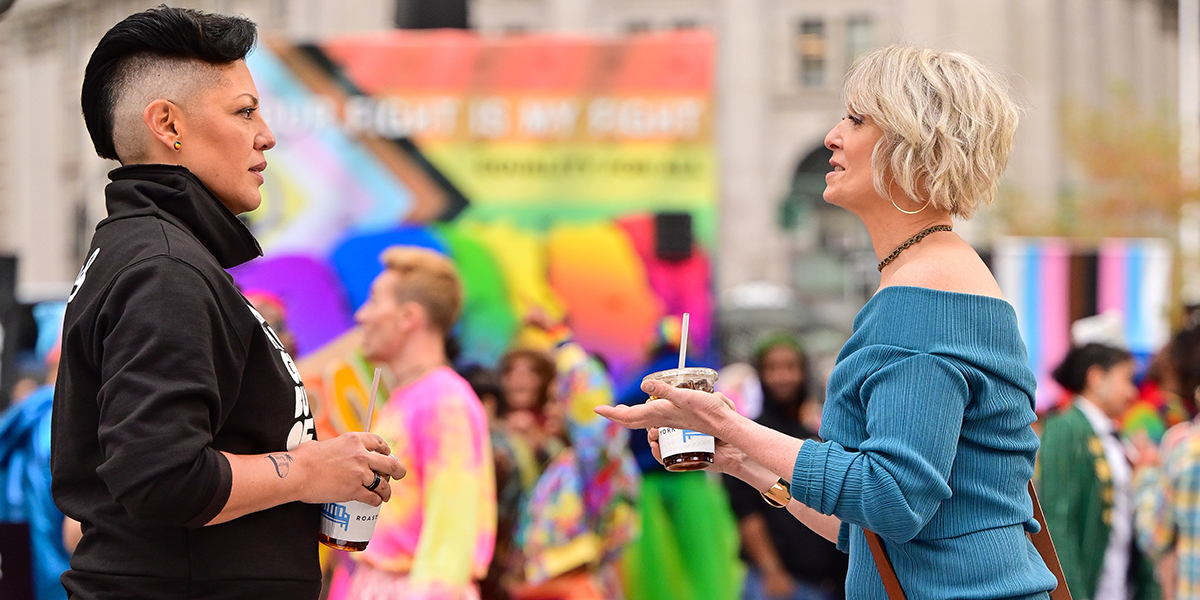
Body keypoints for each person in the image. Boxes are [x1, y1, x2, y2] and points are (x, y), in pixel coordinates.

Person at [597, 45, 1060, 598]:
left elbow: (893, 499)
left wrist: (728, 423)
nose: (832, 136)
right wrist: (745, 462)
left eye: (857, 119)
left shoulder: (923, 293)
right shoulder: (937, 277)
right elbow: (870, 533)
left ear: (912, 142)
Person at [53, 8, 405, 599]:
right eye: (244, 111)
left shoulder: (156, 253)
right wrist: (306, 472)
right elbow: (165, 477)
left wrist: (318, 475)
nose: (266, 134)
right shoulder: (163, 268)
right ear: (168, 124)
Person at [333, 246, 496, 600]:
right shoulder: (409, 395)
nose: (362, 315)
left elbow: (451, 541)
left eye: (375, 301)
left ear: (408, 316)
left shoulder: (445, 400)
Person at [725, 334, 847, 600]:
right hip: (779, 583)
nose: (782, 376)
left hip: (823, 581)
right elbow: (748, 513)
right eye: (772, 368)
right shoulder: (751, 435)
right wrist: (772, 571)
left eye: (791, 367)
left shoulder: (814, 434)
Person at [1038, 344, 1156, 600]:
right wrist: (1070, 594)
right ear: (1096, 378)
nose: (1132, 391)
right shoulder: (1066, 428)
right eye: (1126, 379)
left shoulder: (1109, 433)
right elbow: (1059, 523)